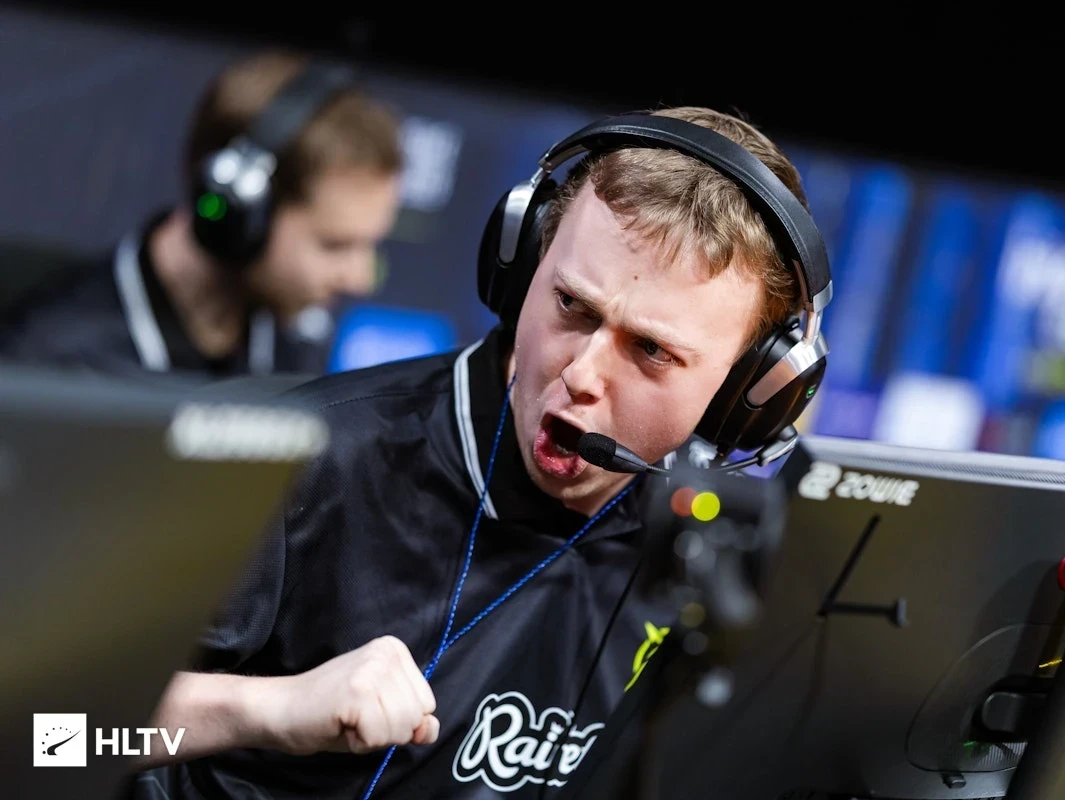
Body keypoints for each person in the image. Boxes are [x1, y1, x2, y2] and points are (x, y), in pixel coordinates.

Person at [127, 104, 832, 799]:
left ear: (746, 393)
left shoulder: (717, 566)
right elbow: (66, 736)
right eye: (571, 306)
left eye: (650, 350)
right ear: (522, 270)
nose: (581, 375)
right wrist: (268, 710)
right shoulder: (298, 461)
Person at [0, 51, 402, 384]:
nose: (360, 279)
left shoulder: (294, 344)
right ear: (238, 216)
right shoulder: (53, 363)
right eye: (335, 245)